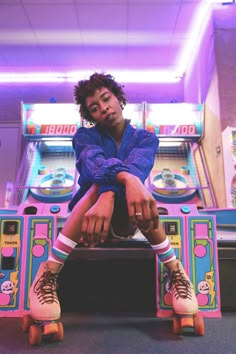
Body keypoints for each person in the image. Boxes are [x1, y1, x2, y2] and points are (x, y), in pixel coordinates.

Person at [29, 72, 198, 323]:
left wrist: (120, 185)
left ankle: (176, 272)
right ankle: (47, 275)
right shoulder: (84, 137)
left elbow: (138, 168)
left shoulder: (146, 138)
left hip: (126, 219)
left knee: (132, 191)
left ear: (119, 98)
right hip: (88, 217)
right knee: (99, 187)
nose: (104, 109)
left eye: (107, 99)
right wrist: (116, 185)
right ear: (90, 117)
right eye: (94, 108)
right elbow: (93, 164)